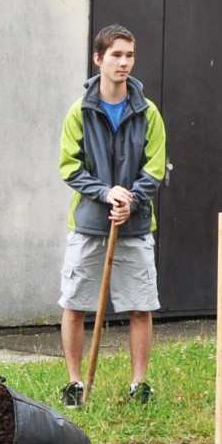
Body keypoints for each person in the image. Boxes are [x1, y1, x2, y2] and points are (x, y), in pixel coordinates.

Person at [56, 24, 169, 408]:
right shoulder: (80, 111)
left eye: (130, 55)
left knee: (140, 305)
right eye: (116, 55)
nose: (124, 62)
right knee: (75, 304)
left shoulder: (148, 112)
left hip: (134, 226)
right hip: (89, 225)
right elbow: (69, 168)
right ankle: (74, 383)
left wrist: (131, 200)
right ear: (98, 59)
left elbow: (155, 169)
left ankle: (139, 384)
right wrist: (106, 194)